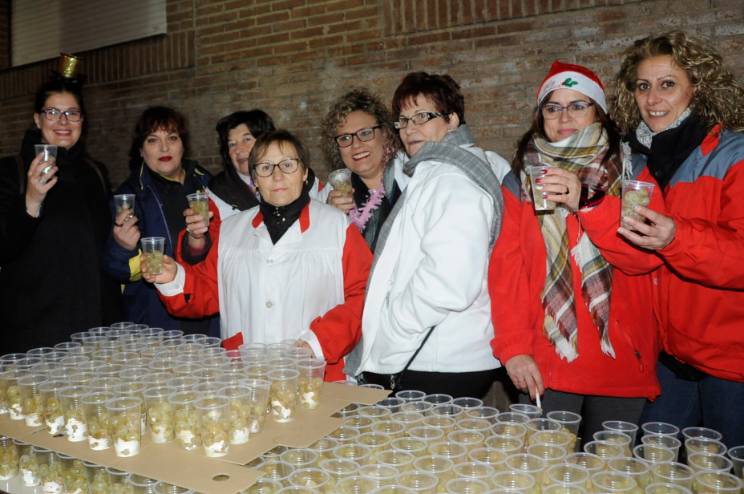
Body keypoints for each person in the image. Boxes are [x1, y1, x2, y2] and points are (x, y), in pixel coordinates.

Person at [489, 61, 664, 442]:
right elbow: (507, 274)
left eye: (577, 105)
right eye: (553, 107)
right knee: (545, 467)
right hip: (546, 362)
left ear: (598, 112)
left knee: (612, 470)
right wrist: (514, 349)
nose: (564, 117)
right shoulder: (520, 179)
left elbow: (643, 259)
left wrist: (587, 203)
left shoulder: (632, 172)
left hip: (619, 360)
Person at [145, 130, 372, 381]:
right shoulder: (231, 231)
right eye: (265, 167)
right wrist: (172, 277)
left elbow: (364, 295)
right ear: (254, 180)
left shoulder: (336, 226)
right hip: (248, 376)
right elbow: (206, 291)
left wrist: (319, 341)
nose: (277, 175)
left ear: (305, 173)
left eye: (288, 164)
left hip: (316, 374)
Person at [613, 31, 744, 447]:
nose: (653, 99)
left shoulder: (733, 155)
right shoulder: (634, 160)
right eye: (643, 86)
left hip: (731, 361)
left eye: (667, 84)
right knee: (651, 465)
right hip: (667, 356)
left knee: (726, 472)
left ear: (697, 88)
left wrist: (676, 238)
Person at [346, 72, 503, 398]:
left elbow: (450, 281)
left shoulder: (452, 178)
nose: (409, 129)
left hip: (437, 355)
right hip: (437, 350)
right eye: (403, 120)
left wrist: (394, 327)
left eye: (422, 117)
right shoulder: (436, 170)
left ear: (452, 119)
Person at [0, 72, 121, 353]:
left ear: (82, 121)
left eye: (72, 113)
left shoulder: (95, 173)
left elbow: (100, 250)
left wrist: (122, 243)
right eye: (52, 112)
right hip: (34, 333)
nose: (63, 122)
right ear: (37, 119)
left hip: (94, 330)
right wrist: (31, 200)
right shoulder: (10, 172)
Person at [103, 106, 218, 336]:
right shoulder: (130, 196)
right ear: (141, 150)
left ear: (183, 145)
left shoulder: (206, 182)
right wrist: (123, 248)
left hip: (210, 314)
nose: (164, 147)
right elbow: (118, 271)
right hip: (159, 320)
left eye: (172, 138)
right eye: (153, 140)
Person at [180, 110, 330, 262]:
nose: (239, 150)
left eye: (247, 139)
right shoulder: (215, 196)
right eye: (232, 144)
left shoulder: (308, 182)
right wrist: (196, 238)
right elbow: (202, 257)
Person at [322, 89, 408, 251]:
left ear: (385, 133)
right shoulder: (332, 192)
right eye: (345, 138)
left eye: (366, 133)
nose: (356, 145)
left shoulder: (412, 176)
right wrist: (329, 218)